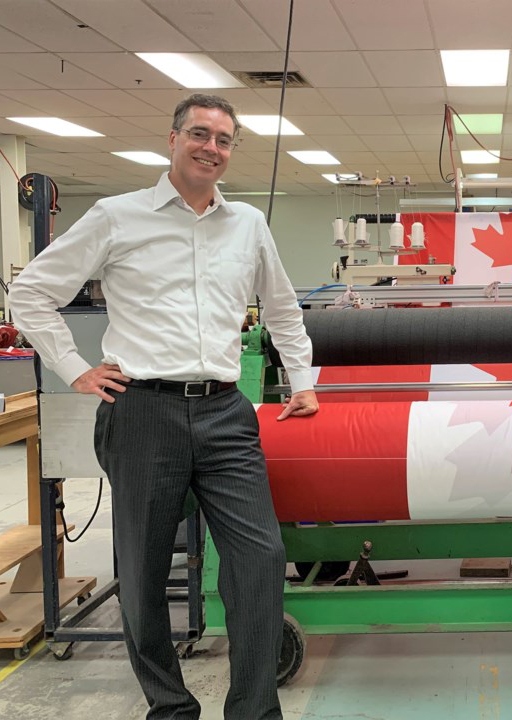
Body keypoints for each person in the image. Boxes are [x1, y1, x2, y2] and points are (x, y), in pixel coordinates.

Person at [9, 93, 319, 720]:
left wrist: (303, 378)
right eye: (200, 134)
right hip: (143, 412)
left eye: (224, 139)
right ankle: (170, 707)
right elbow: (30, 292)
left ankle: (254, 709)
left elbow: (282, 307)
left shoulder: (248, 226)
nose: (212, 147)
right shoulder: (117, 216)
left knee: (261, 561)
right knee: (145, 575)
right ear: (173, 139)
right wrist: (75, 369)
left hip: (227, 412)